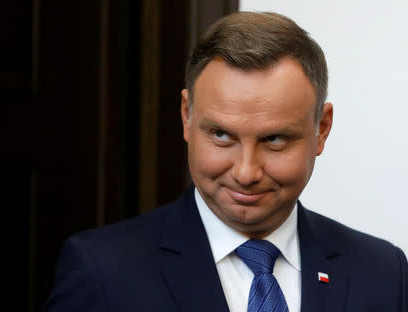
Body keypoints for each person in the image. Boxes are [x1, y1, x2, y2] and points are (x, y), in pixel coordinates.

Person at [41, 11, 407, 312]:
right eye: (221, 136)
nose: (246, 173)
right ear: (187, 116)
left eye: (275, 140)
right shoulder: (102, 272)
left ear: (322, 129)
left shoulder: (383, 273)